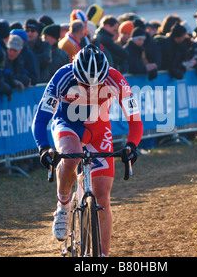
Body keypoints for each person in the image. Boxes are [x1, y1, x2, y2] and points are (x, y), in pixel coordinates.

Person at [32, 45, 143, 257]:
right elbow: (41, 119)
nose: (91, 88)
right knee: (71, 156)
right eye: (84, 83)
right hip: (68, 125)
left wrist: (131, 145)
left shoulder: (115, 78)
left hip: (99, 131)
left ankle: (101, 257)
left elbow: (135, 119)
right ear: (75, 73)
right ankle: (63, 204)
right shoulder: (62, 76)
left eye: (96, 84)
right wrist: (44, 148)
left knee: (102, 197)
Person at [24, 18, 52, 83]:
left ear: (37, 32)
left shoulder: (45, 45)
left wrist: (29, 59)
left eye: (33, 30)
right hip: (27, 82)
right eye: (27, 30)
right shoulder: (22, 46)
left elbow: (45, 59)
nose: (29, 33)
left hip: (42, 82)